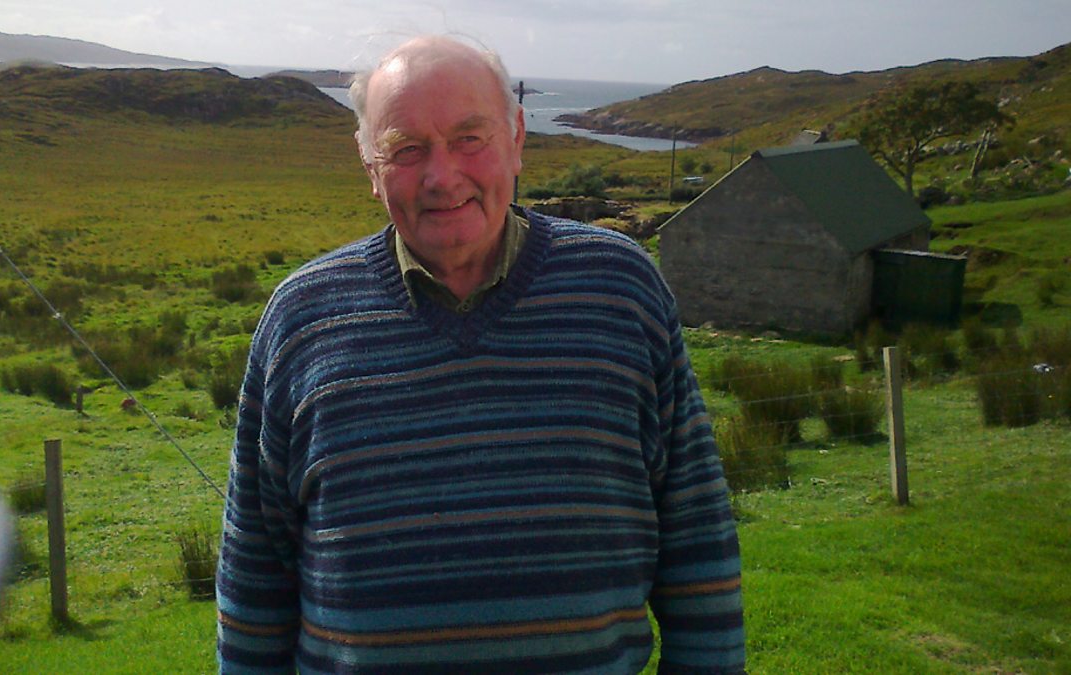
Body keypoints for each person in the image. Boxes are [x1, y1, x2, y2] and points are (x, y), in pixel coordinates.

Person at [216, 35, 744, 674]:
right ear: (370, 167)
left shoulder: (621, 290)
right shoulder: (301, 318)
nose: (443, 177)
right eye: (406, 149)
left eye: (470, 138)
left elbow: (698, 549)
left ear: (516, 138)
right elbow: (254, 583)